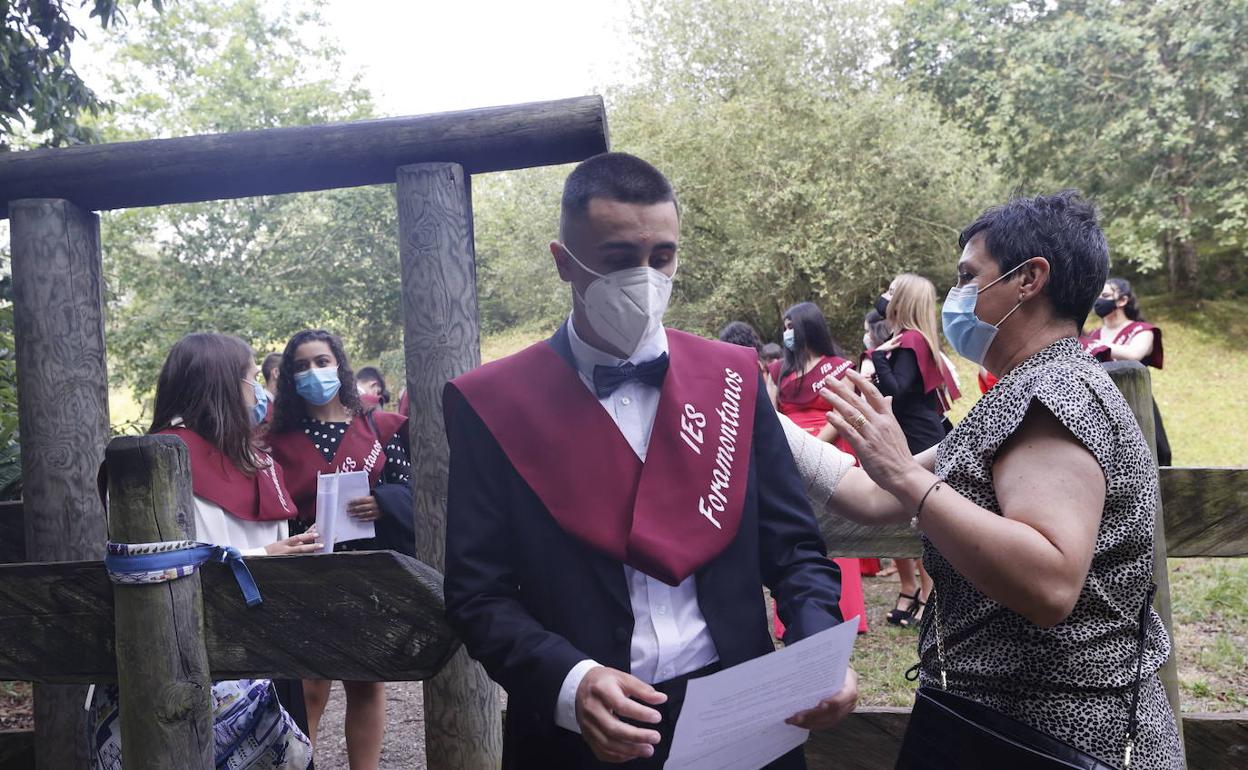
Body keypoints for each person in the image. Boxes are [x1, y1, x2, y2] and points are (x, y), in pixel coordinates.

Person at [442, 152, 856, 769]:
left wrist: (818, 649)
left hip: (743, 718)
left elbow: (793, 549)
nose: (645, 276)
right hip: (580, 736)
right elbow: (479, 594)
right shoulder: (491, 403)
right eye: (617, 260)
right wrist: (570, 681)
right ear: (564, 262)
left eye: (662, 256)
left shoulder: (733, 377)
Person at [793, 191, 1181, 768]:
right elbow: (871, 496)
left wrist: (906, 475)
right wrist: (757, 413)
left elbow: (1049, 584)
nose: (958, 295)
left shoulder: (1053, 397)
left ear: (1029, 280)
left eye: (969, 276)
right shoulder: (1027, 389)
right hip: (999, 723)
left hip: (1055, 737)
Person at [90, 333, 318, 770]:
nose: (261, 391)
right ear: (220, 385)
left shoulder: (254, 458)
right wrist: (269, 555)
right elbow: (170, 571)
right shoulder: (154, 460)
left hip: (262, 649)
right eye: (252, 378)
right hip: (191, 663)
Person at [267, 330, 413, 770]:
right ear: (290, 377)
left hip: (367, 571)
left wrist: (383, 504)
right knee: (309, 683)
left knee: (366, 682)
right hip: (304, 572)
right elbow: (266, 504)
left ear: (340, 366)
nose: (313, 372)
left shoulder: (379, 427)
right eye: (301, 365)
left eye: (322, 361)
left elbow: (414, 492)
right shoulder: (275, 439)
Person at [767, 301, 867, 634]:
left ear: (809, 326)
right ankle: (794, 617)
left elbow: (844, 412)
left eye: (791, 325)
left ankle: (845, 610)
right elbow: (773, 411)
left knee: (835, 528)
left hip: (826, 449)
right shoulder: (779, 370)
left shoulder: (838, 367)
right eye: (784, 326)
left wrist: (816, 446)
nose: (786, 333)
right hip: (788, 454)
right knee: (795, 531)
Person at [871, 275, 961, 628]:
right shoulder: (910, 341)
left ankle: (931, 596)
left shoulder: (909, 342)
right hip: (916, 431)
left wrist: (877, 359)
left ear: (904, 300)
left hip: (918, 436)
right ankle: (921, 594)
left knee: (925, 516)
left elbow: (898, 392)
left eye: (892, 291)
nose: (884, 296)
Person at [1081, 277, 1171, 465]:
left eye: (1105, 295)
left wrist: (1097, 347)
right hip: (1100, 406)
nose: (1099, 300)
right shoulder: (1093, 335)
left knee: (1156, 455)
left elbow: (1135, 354)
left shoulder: (1142, 331)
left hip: (1135, 403)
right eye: (1097, 296)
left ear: (1122, 300)